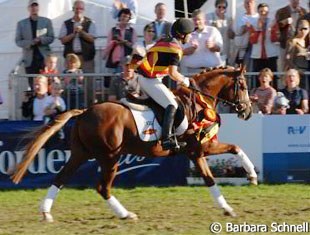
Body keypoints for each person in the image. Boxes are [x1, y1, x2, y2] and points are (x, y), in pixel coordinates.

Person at [133, 18, 195, 150]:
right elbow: (173, 73)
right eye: (189, 33)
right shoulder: (176, 49)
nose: (191, 36)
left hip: (145, 78)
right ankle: (167, 139)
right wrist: (185, 81)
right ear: (182, 34)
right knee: (171, 104)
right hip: (149, 80)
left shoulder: (165, 40)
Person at [59, 0, 96, 107]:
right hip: (71, 60)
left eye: (80, 8)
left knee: (88, 85)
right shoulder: (66, 23)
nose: (78, 10)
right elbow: (63, 40)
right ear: (73, 9)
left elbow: (92, 39)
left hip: (87, 58)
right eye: (76, 8)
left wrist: (81, 32)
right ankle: (69, 108)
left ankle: (89, 108)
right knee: (69, 86)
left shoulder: (90, 22)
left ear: (83, 10)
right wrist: (73, 33)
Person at [15, 0, 54, 88]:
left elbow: (51, 37)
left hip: (44, 59)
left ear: (38, 7)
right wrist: (31, 42)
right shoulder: (21, 24)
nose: (34, 8)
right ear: (28, 8)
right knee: (33, 86)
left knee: (47, 85)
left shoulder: (46, 21)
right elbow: (18, 41)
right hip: (30, 60)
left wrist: (41, 40)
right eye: (32, 6)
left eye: (35, 6)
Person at [181, 9, 223, 74]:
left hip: (211, 71)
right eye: (194, 20)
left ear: (204, 20)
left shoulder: (213, 31)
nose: (197, 22)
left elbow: (220, 49)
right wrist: (191, 49)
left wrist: (213, 46)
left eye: (199, 19)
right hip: (192, 71)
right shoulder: (187, 33)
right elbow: (181, 52)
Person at [249, 3, 279, 79]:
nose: (263, 13)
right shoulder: (253, 23)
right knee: (257, 78)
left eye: (265, 11)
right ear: (258, 12)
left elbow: (275, 39)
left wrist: (271, 30)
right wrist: (258, 30)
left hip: (271, 54)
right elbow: (253, 41)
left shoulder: (273, 23)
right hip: (257, 55)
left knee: (272, 77)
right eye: (261, 11)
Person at [275, 0, 307, 72]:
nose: (295, 1)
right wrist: (285, 21)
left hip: (300, 44)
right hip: (285, 44)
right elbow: (276, 27)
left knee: (299, 65)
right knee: (284, 65)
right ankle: (283, 82)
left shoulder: (304, 11)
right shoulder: (281, 11)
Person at [104, 8, 137, 73]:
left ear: (129, 19)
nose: (124, 18)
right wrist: (114, 43)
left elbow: (134, 46)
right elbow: (108, 45)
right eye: (122, 16)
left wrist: (125, 42)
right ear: (119, 17)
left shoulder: (132, 31)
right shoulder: (112, 30)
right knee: (113, 81)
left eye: (126, 17)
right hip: (114, 61)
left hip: (127, 62)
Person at [206, 0, 234, 65]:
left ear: (226, 8)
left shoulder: (229, 19)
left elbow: (232, 36)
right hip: (213, 50)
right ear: (216, 7)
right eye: (219, 7)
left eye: (223, 7)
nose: (221, 9)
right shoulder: (209, 17)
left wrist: (231, 31)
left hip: (225, 50)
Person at [285, 19, 309, 89]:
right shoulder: (293, 41)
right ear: (297, 29)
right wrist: (295, 69)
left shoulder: (308, 42)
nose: (303, 31)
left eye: (305, 28)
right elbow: (287, 57)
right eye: (300, 28)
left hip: (307, 71)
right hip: (297, 73)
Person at [233, 0, 258, 67]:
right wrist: (243, 29)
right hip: (243, 47)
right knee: (242, 68)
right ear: (244, 4)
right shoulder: (239, 18)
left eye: (251, 2)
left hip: (256, 47)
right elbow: (235, 33)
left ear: (254, 3)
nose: (249, 4)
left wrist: (252, 28)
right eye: (247, 2)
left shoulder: (258, 17)